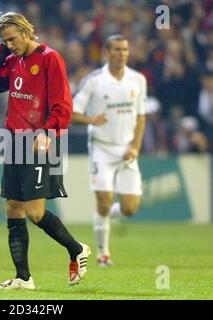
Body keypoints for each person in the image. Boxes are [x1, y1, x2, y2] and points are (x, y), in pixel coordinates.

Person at [0, 12, 91, 290]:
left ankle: (77, 249)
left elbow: (63, 104)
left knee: (35, 212)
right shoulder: (13, 60)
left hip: (41, 141)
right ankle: (23, 278)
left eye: (12, 39)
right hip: (15, 141)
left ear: (27, 32)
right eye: (4, 41)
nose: (10, 45)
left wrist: (48, 132)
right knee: (13, 208)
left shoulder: (50, 58)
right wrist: (2, 50)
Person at [72, 35, 146, 266]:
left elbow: (141, 116)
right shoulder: (93, 81)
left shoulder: (138, 80)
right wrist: (92, 119)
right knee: (103, 201)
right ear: (106, 52)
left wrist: (135, 147)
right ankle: (103, 254)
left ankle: (105, 217)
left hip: (126, 150)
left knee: (130, 208)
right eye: (116, 49)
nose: (122, 53)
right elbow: (72, 114)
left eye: (125, 49)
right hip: (101, 148)